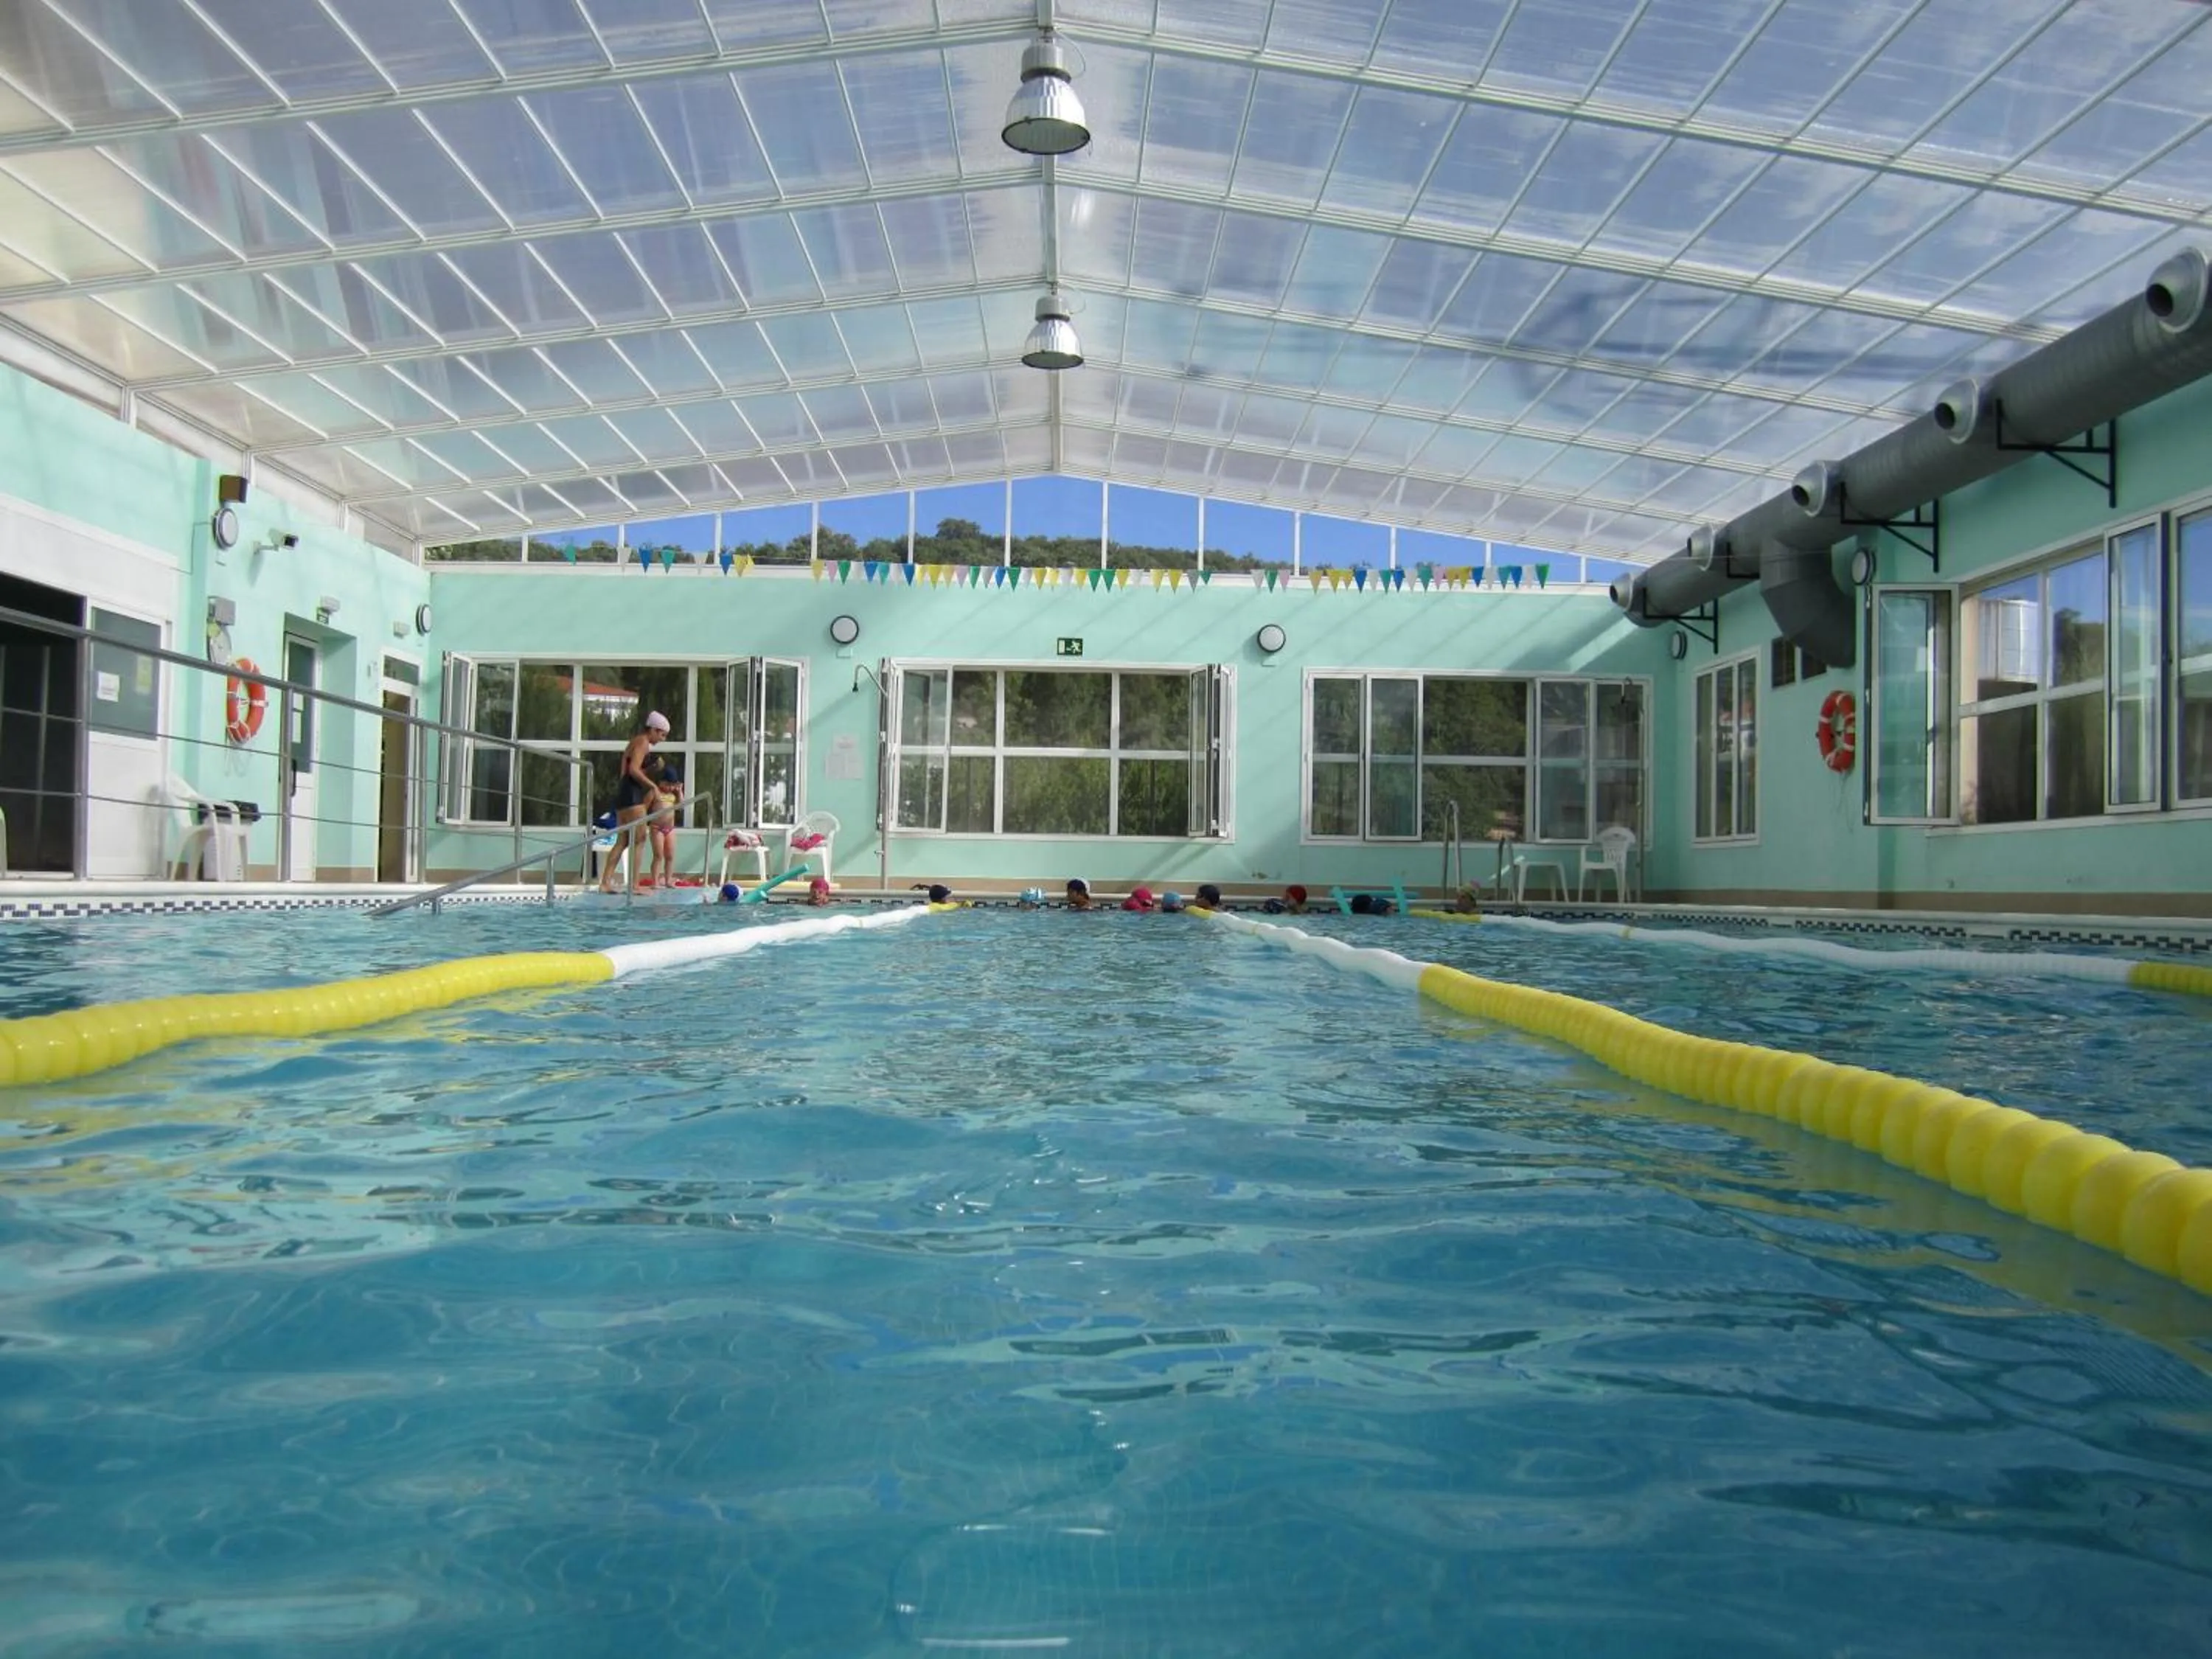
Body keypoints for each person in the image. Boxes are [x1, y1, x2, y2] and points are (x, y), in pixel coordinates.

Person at [599, 710, 669, 893]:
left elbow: (630, 770)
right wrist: (653, 786)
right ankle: (634, 885)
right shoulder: (643, 742)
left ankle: (604, 883)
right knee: (640, 839)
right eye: (662, 734)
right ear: (653, 729)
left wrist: (650, 768)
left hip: (624, 791)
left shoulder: (636, 742)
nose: (662, 739)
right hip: (631, 793)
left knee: (622, 841)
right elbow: (633, 771)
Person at [641, 754, 683, 888]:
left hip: (670, 829)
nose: (671, 788)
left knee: (670, 856)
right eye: (668, 785)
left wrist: (679, 792)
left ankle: (668, 879)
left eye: (673, 785)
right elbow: (644, 808)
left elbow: (681, 806)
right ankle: (655, 881)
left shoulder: (672, 795)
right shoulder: (655, 793)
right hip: (656, 828)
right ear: (661, 782)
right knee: (658, 856)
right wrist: (643, 823)